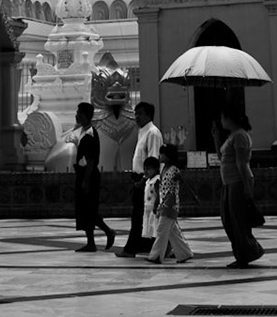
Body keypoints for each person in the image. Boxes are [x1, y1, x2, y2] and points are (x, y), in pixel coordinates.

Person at [217, 112, 264, 268]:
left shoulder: (240, 136)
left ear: (230, 118)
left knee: (238, 221)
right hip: (229, 183)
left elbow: (242, 164)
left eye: (223, 117)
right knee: (228, 220)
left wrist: (247, 187)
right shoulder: (232, 136)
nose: (221, 120)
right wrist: (216, 137)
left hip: (237, 182)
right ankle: (243, 253)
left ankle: (247, 253)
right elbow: (221, 157)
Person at [119, 101, 162, 256]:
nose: (136, 117)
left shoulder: (152, 132)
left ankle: (131, 249)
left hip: (147, 181)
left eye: (140, 113)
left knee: (140, 215)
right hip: (140, 178)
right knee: (144, 215)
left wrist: (144, 180)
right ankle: (146, 245)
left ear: (149, 115)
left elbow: (153, 159)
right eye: (135, 113)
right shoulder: (142, 131)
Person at [72, 101, 115, 252]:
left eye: (78, 113)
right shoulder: (83, 131)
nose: (76, 115)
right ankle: (91, 241)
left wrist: (85, 180)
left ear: (84, 115)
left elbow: (91, 160)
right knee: (85, 210)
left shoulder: (90, 134)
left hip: (88, 175)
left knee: (89, 209)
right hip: (83, 174)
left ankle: (107, 232)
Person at [146, 147, 193, 263]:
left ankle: (156, 256)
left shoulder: (173, 170)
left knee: (162, 230)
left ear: (168, 156)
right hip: (165, 202)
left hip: (170, 204)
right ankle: (184, 253)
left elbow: (178, 183)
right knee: (173, 232)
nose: (160, 156)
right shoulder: (164, 169)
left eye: (162, 154)